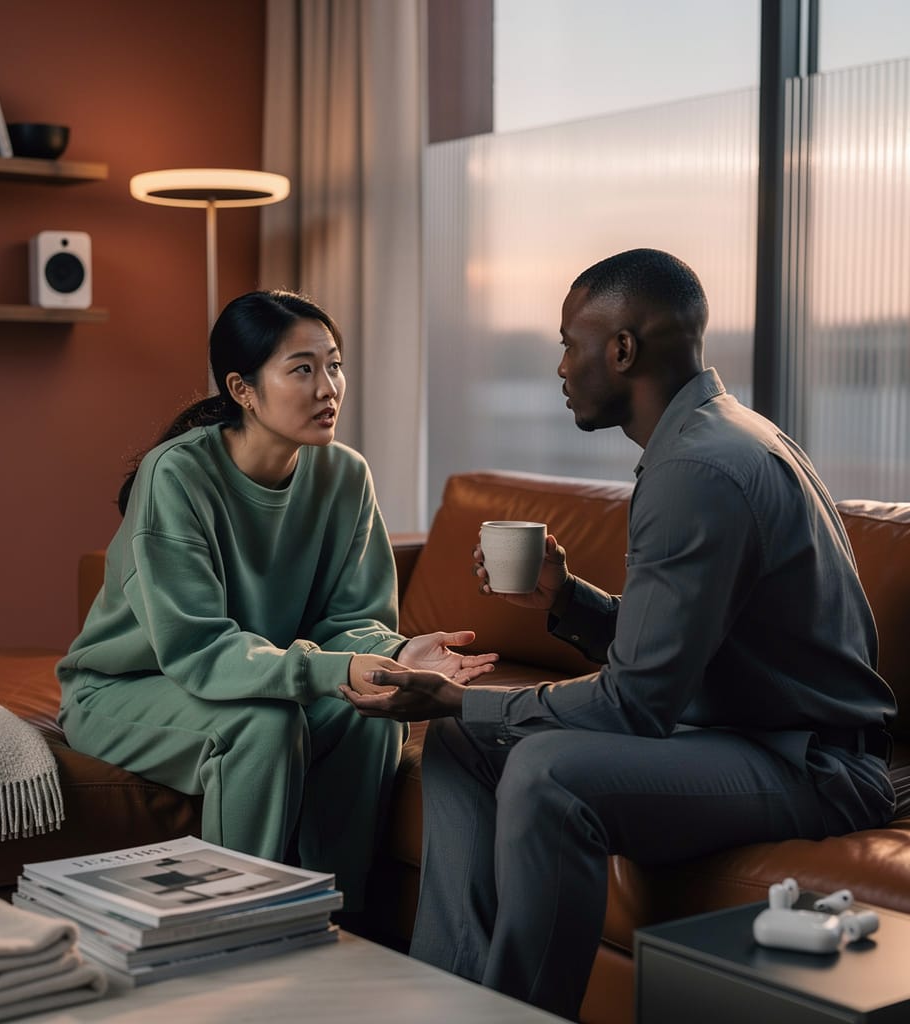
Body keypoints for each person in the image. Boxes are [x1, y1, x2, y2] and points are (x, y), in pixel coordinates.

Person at [341, 249, 897, 1018]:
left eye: (569, 343)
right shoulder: (713, 439)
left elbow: (636, 704)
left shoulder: (698, 471)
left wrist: (454, 698)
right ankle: (451, 997)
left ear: (623, 349)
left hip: (811, 765)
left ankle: (518, 1013)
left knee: (548, 772)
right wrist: (566, 598)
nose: (560, 367)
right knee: (466, 745)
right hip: (741, 730)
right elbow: (676, 655)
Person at [56, 289, 496, 912]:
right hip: (127, 688)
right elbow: (196, 649)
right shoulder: (176, 475)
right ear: (243, 389)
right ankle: (241, 927)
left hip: (255, 680)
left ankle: (339, 923)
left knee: (369, 712)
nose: (328, 388)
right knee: (262, 726)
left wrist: (396, 655)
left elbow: (352, 620)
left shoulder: (346, 475)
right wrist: (330, 668)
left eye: (334, 365)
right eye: (302, 369)